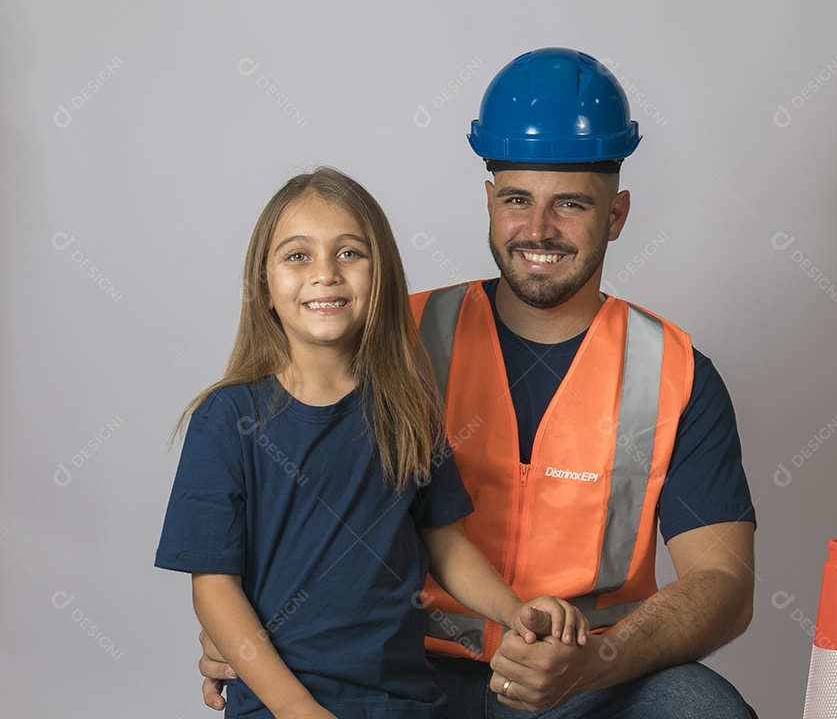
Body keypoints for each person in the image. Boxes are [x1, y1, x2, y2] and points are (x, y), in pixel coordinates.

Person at [201, 49, 758, 718]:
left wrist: (587, 664)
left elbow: (723, 582)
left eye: (572, 204)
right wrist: (253, 636)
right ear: (489, 201)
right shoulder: (388, 339)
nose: (539, 230)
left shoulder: (675, 373)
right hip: (404, 672)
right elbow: (276, 494)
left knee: (702, 710)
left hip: (587, 682)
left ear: (616, 216)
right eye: (518, 200)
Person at [156, 167, 589, 719]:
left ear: (380, 277)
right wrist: (296, 710)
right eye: (297, 256)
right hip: (281, 708)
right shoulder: (226, 419)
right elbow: (214, 587)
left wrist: (515, 611)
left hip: (408, 702)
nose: (324, 275)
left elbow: (446, 546)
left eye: (349, 254)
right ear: (264, 287)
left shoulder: (406, 409)